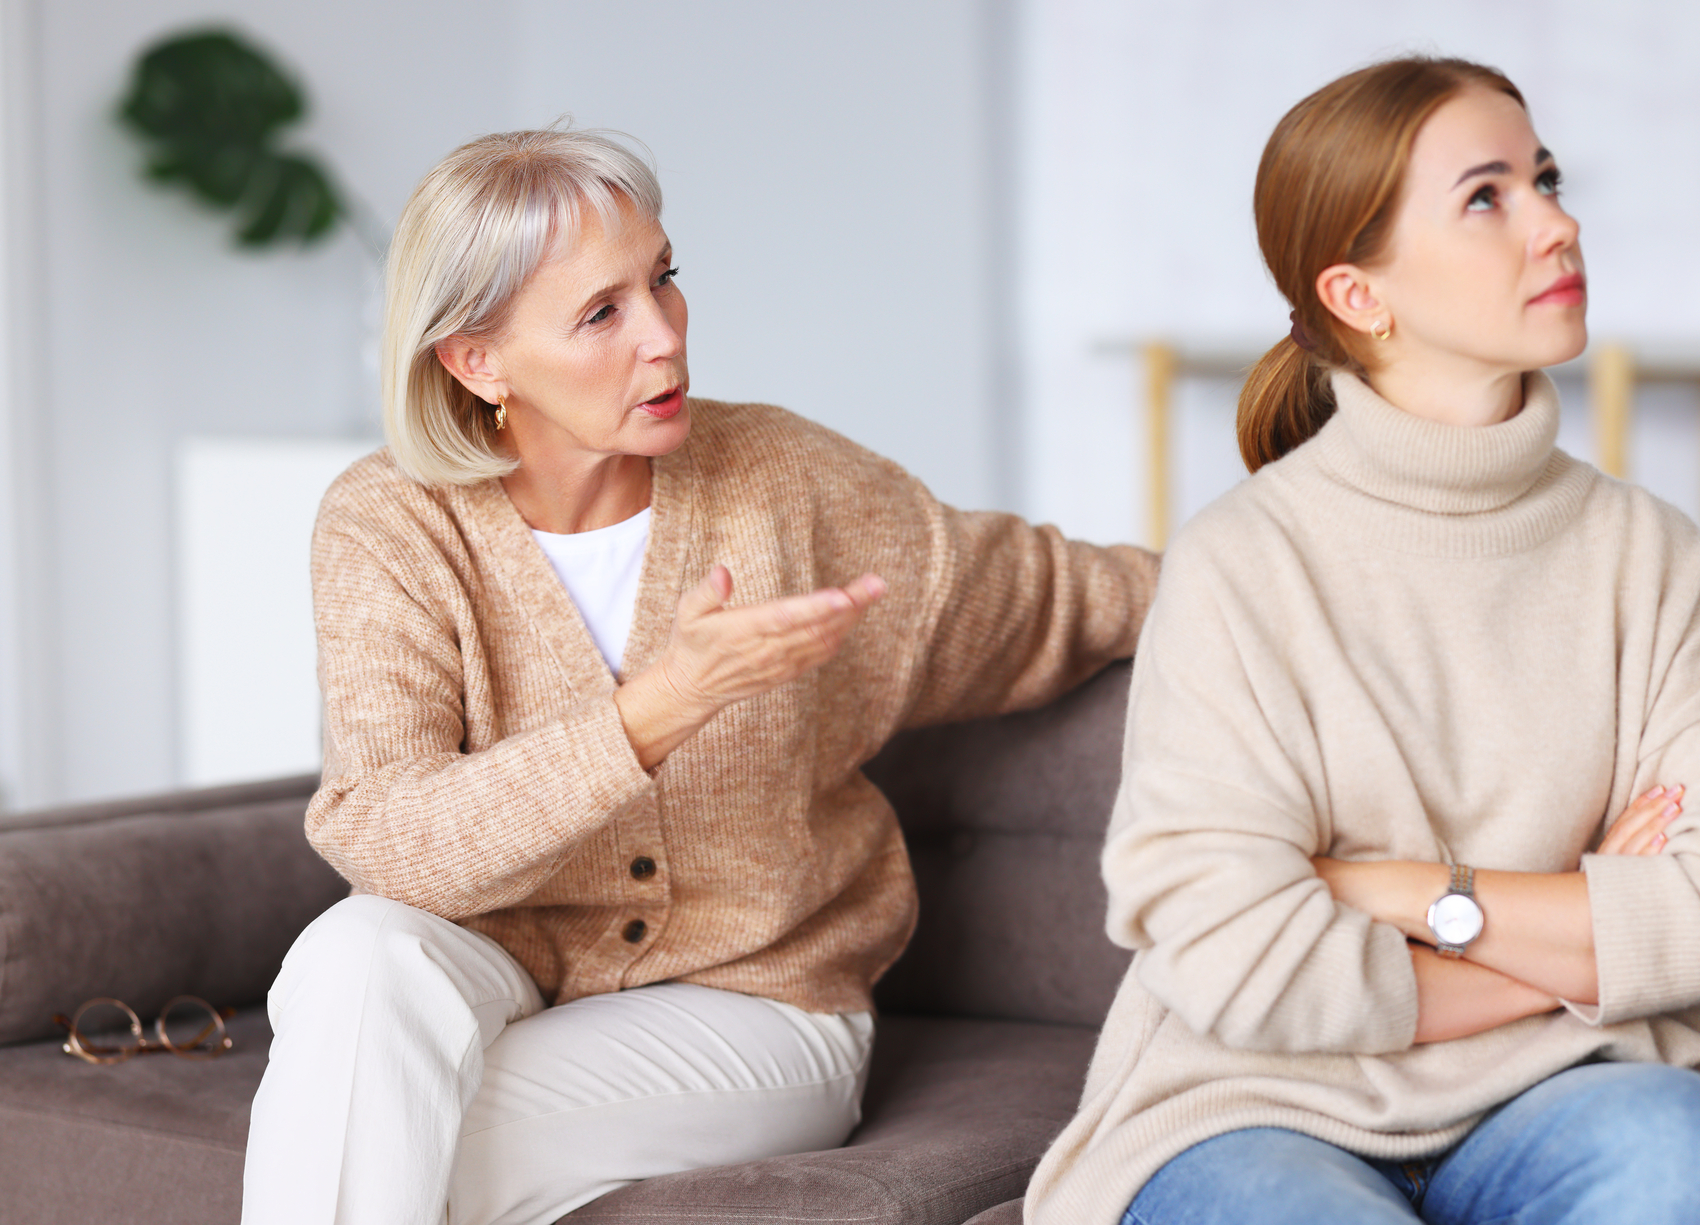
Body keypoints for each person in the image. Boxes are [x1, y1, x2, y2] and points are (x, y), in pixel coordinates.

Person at [239, 128, 1158, 1225]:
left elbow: (1052, 593)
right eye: (601, 314)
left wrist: (1310, 575)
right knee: (356, 952)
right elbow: (385, 839)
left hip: (755, 1004)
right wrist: (658, 708)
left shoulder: (781, 482)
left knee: (369, 1141)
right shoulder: (390, 522)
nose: (664, 337)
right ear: (477, 361)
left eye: (663, 280)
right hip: (493, 974)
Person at [1024, 57, 1700, 1225]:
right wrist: (1584, 933)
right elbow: (1237, 958)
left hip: (1566, 1095)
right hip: (1248, 1110)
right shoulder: (1242, 563)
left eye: (1542, 178)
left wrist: (1393, 890)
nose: (1556, 222)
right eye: (1487, 197)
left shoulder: (1644, 552)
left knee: (1681, 1152)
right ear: (1357, 294)